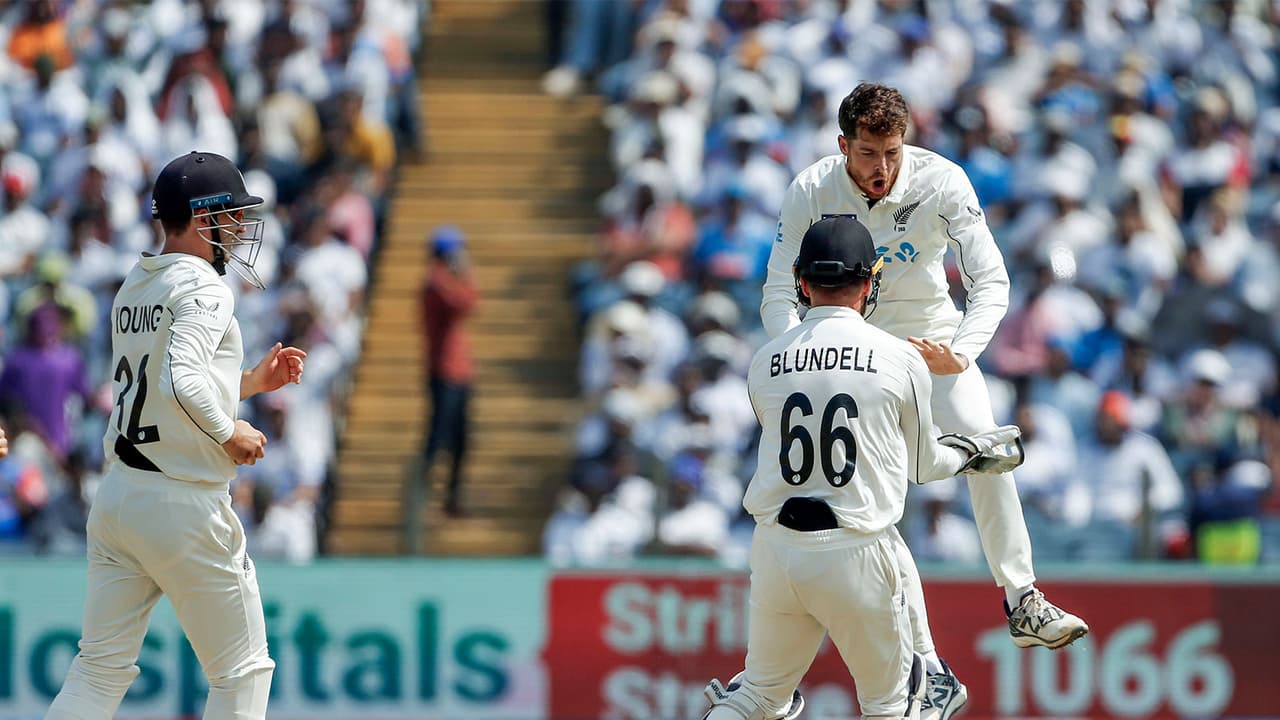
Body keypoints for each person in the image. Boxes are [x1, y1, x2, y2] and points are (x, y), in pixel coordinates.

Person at [761, 83, 1089, 716]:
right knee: (871, 515)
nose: (880, 169)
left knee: (986, 449)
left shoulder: (941, 183)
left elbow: (991, 278)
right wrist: (802, 353)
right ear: (842, 146)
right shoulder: (811, 188)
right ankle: (928, 667)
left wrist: (962, 351)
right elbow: (777, 290)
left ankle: (1021, 597)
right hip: (850, 354)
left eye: (891, 152)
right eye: (866, 154)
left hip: (934, 344)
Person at [702, 216, 1025, 720]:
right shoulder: (900, 358)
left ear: (802, 283)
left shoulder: (764, 359)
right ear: (871, 281)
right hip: (856, 547)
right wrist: (974, 451)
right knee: (891, 705)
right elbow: (925, 465)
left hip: (776, 547)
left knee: (758, 694)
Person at [45, 151, 306, 720]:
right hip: (182, 501)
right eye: (231, 216)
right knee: (243, 672)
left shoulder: (135, 285)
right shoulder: (207, 290)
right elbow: (181, 380)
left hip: (119, 498)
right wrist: (229, 432)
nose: (239, 231)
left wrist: (248, 384)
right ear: (202, 216)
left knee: (98, 671)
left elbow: (164, 390)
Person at [418, 226, 479, 517]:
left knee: (460, 438)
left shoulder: (442, 280)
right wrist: (465, 274)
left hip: (457, 371)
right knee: (439, 436)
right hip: (444, 371)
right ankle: (422, 495)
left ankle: (451, 497)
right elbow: (466, 303)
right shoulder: (436, 281)